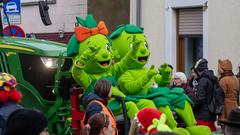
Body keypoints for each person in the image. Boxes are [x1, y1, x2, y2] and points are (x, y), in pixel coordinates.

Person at [192, 58, 217, 131]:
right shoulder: (213, 78)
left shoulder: (203, 80)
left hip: (202, 115)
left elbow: (200, 98)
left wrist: (193, 107)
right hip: (211, 114)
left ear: (199, 70)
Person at [217, 59, 239, 131]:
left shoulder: (223, 80)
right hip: (234, 105)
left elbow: (220, 95)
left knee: (226, 127)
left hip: (226, 106)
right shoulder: (235, 78)